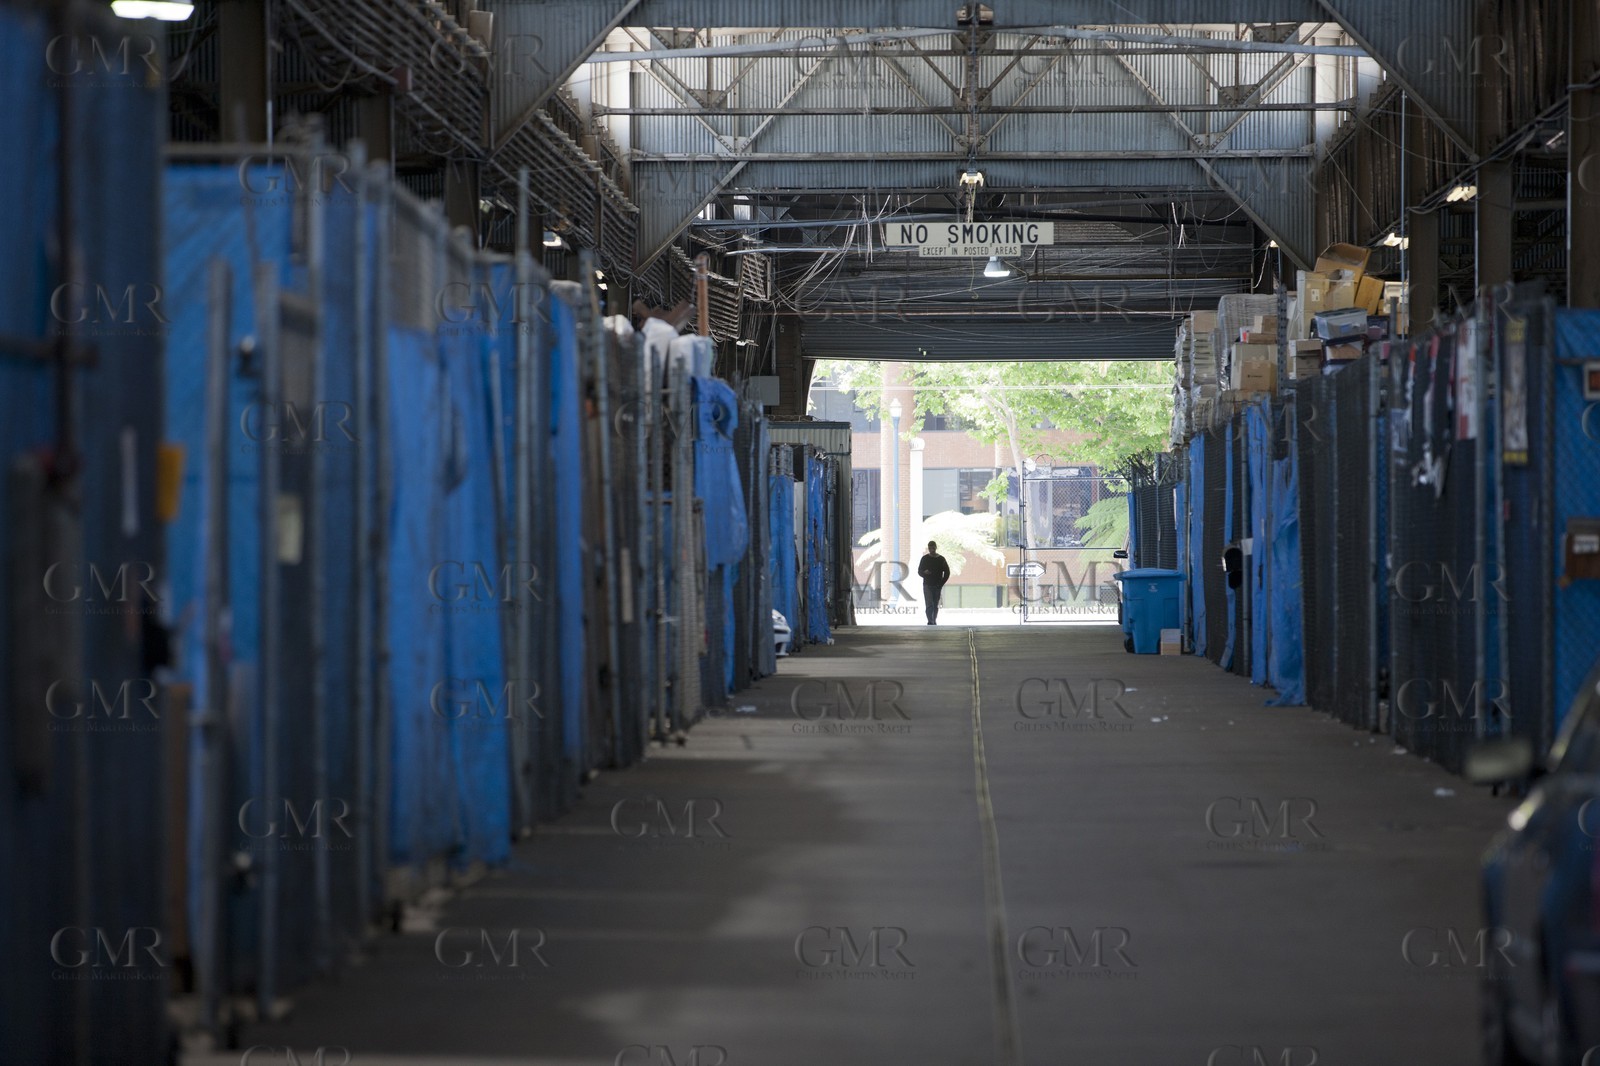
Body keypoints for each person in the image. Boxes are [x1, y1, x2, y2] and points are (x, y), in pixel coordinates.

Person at [917, 540, 950, 625]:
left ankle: (933, 620)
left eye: (933, 548)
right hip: (927, 585)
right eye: (930, 548)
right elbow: (919, 571)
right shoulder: (925, 559)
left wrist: (941, 583)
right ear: (928, 548)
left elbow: (947, 572)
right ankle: (930, 621)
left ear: (936, 548)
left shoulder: (941, 559)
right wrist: (924, 573)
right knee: (929, 604)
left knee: (935, 604)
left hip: (937, 585)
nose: (932, 549)